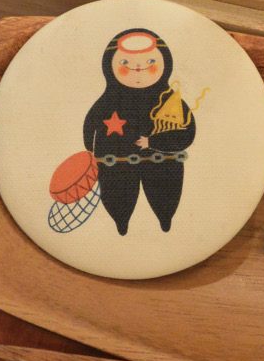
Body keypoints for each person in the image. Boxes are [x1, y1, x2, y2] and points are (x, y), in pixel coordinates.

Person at [82, 28, 196, 235]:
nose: (138, 68)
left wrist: (154, 143)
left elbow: (186, 134)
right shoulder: (108, 100)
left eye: (151, 62)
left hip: (163, 162)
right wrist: (89, 150)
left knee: (165, 194)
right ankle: (121, 222)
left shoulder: (170, 101)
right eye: (125, 63)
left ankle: (165, 219)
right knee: (117, 196)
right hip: (115, 161)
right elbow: (91, 125)